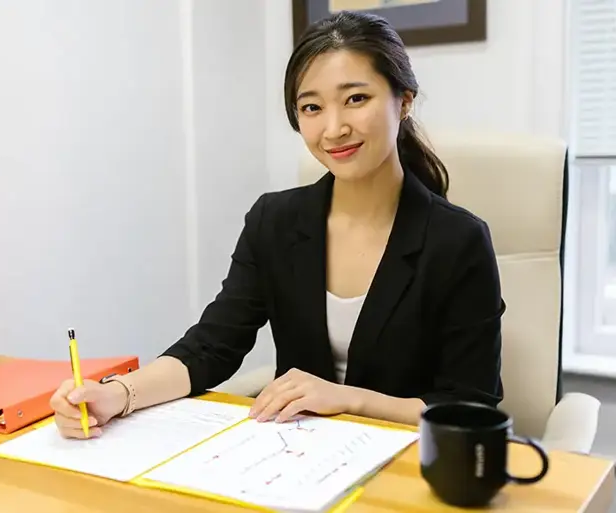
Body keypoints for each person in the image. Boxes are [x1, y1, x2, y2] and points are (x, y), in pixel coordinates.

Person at [50, 10, 504, 438]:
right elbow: (212, 345)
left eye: (356, 99)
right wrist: (116, 395)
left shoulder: (457, 240)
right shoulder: (275, 222)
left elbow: (470, 405)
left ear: (404, 101)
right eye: (311, 108)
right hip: (296, 463)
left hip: (409, 466)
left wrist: (348, 400)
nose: (334, 128)